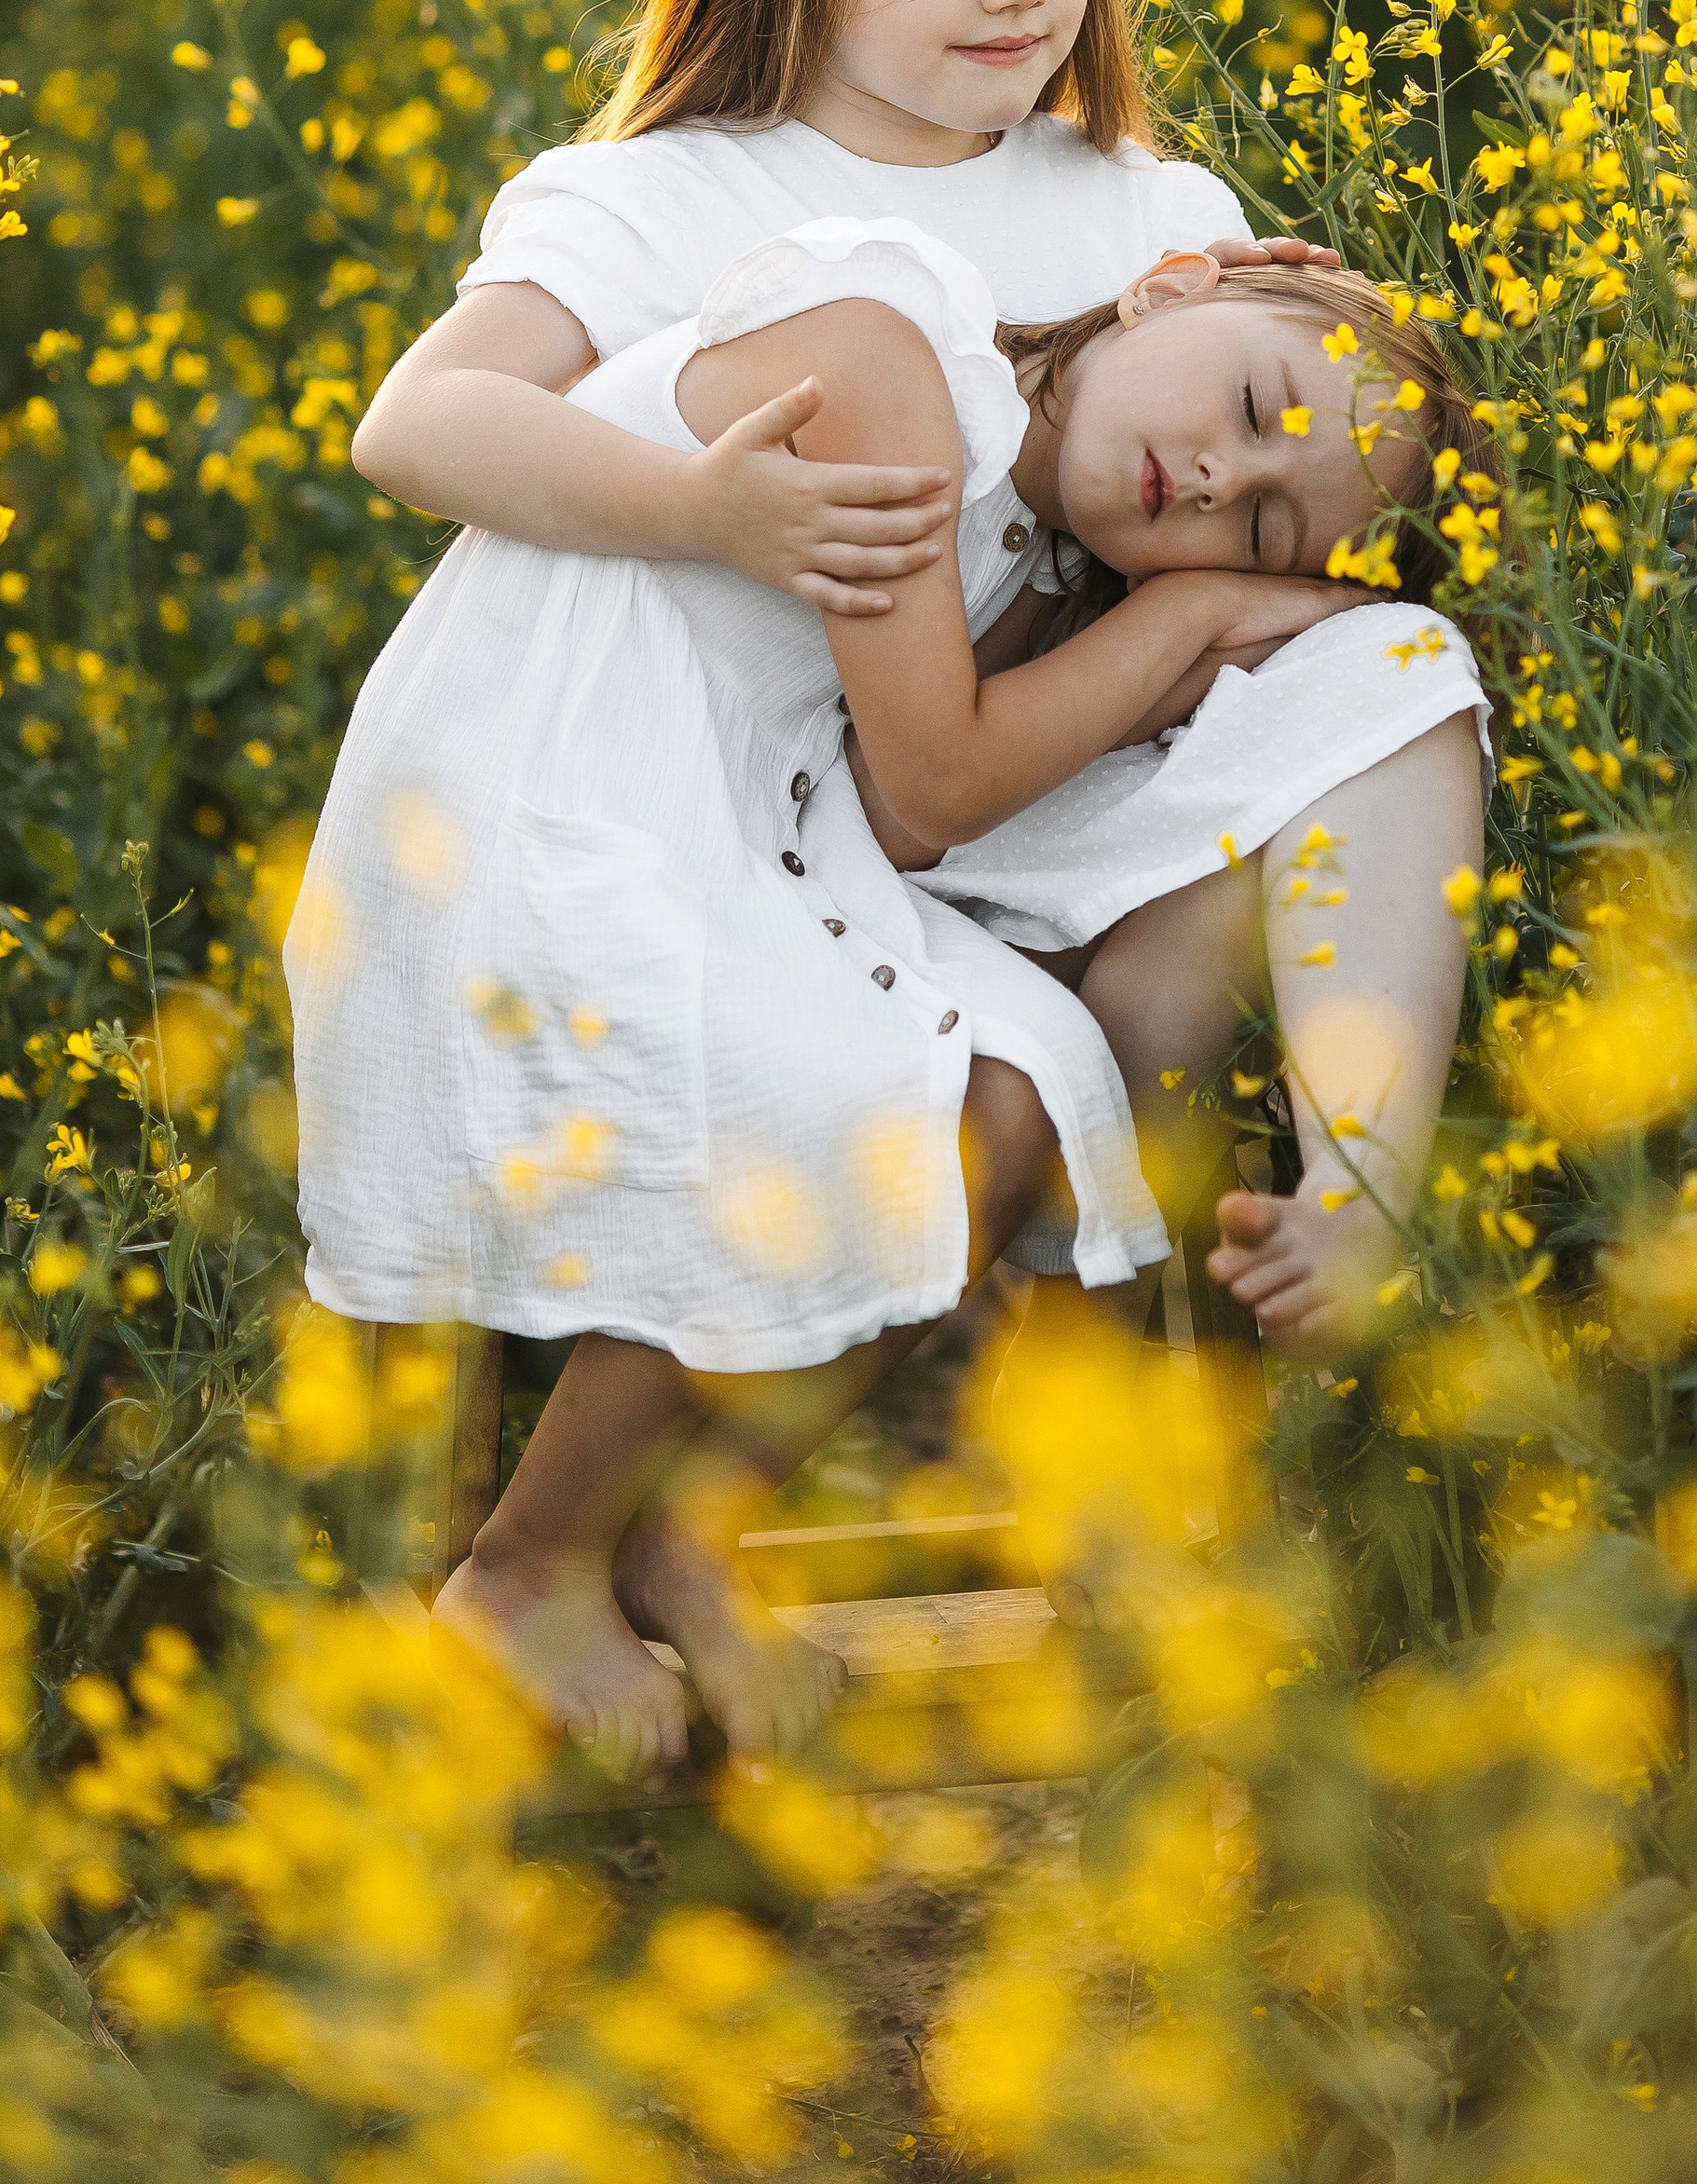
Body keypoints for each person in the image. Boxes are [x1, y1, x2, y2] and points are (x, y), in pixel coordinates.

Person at [294, 221, 1479, 1777]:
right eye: (1253, 413)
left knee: (1019, 1084)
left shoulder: (1046, 528)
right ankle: (524, 1566)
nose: (1212, 483)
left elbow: (910, 820)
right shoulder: (887, 360)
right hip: (534, 825)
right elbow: (937, 778)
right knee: (842, 1077)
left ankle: (686, 1524)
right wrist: (1191, 619)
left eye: (1263, 536)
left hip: (723, 830)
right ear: (1171, 280)